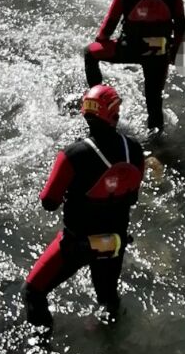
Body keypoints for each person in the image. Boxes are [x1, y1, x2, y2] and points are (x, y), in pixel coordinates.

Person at [23, 84, 144, 328]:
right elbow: (132, 197)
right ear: (114, 114)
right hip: (114, 242)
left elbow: (49, 202)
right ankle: (112, 340)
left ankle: (42, 347)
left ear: (85, 113)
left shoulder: (72, 155)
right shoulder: (134, 150)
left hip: (77, 244)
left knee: (32, 292)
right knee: (108, 299)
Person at [84, 0, 185, 135]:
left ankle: (99, 101)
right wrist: (173, 53)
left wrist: (102, 41)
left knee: (89, 52)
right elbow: (181, 25)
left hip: (129, 49)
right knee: (154, 101)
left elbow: (107, 29)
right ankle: (158, 143)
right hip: (159, 52)